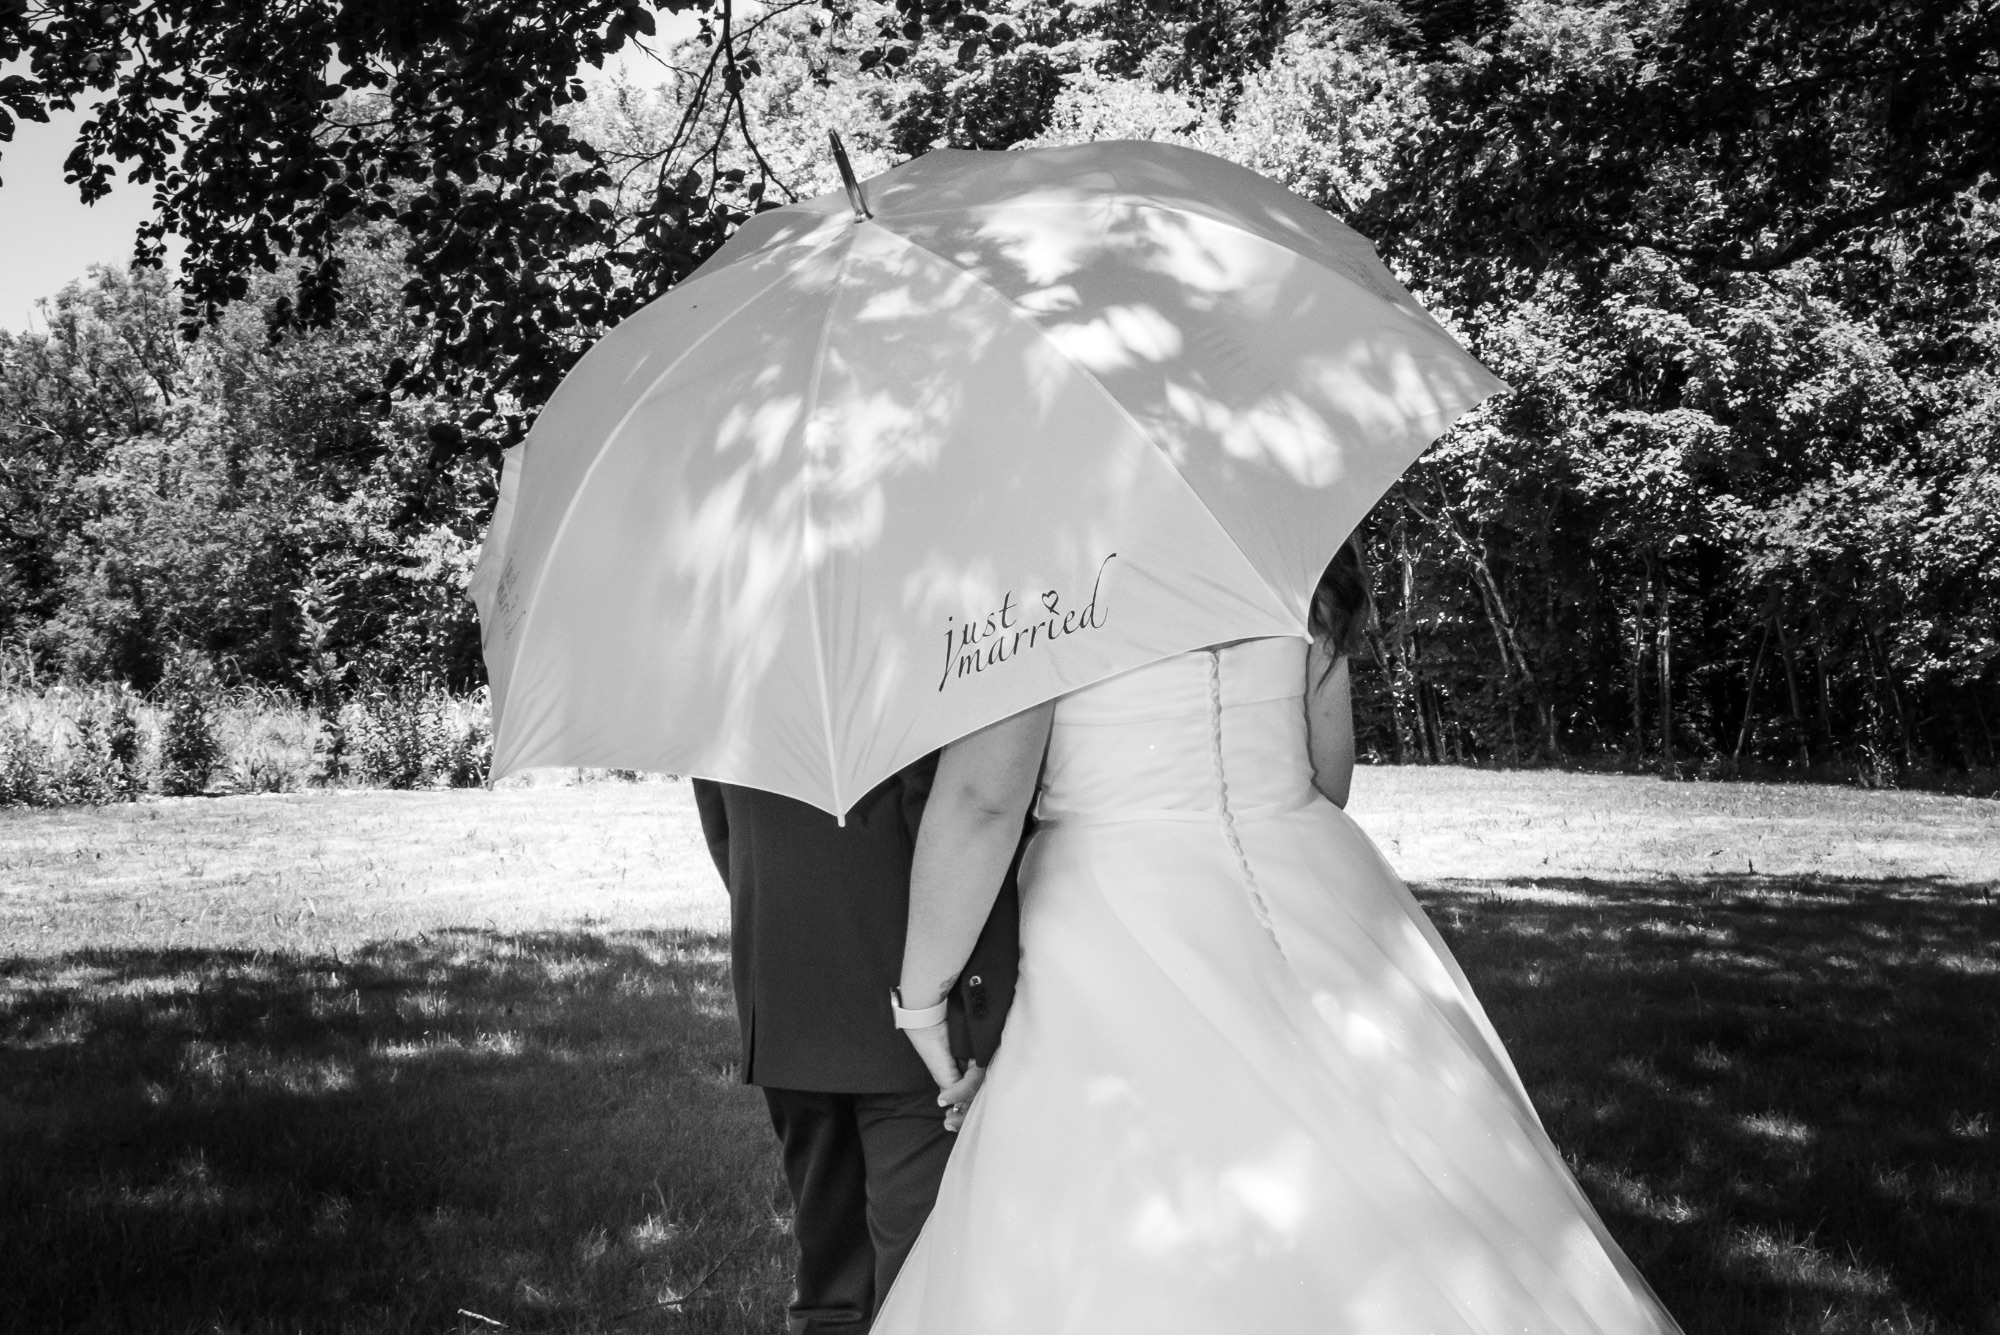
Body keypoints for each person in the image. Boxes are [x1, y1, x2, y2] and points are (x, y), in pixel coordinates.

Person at [873, 537, 1685, 1335]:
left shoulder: (1049, 550)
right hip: (1312, 874)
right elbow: (1328, 774)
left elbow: (982, 801)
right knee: (1400, 1163)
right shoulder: (1282, 530)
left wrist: (923, 1001)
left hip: (1113, 893)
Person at [691, 765, 1021, 1335]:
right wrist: (984, 1006)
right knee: (922, 1276)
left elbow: (722, 824)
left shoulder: (725, 673)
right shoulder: (907, 670)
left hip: (787, 983)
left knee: (831, 1279)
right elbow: (960, 810)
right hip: (921, 1003)